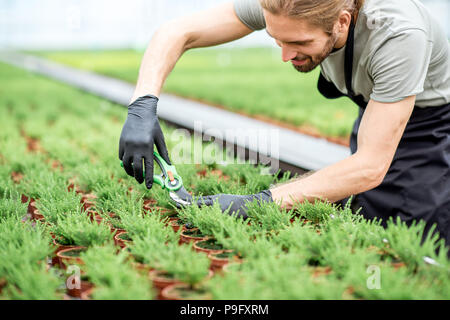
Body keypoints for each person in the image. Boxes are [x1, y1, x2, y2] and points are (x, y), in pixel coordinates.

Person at [118, 0, 450, 249]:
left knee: (414, 236)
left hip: (429, 123)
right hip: (375, 105)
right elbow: (177, 31)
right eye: (277, 39)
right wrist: (142, 104)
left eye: (299, 44)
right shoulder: (283, 3)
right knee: (366, 212)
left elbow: (369, 166)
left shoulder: (398, 35)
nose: (285, 56)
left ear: (342, 21)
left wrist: (258, 202)